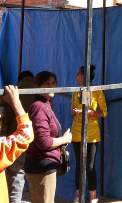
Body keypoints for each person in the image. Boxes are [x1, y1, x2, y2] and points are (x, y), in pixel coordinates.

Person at [24, 71, 72, 203]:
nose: (51, 86)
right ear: (37, 86)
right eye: (47, 83)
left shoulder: (46, 104)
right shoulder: (39, 106)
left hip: (44, 166)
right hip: (41, 167)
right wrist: (65, 139)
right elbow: (44, 142)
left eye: (53, 83)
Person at [71, 65, 107, 203]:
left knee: (89, 166)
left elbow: (104, 112)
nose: (75, 76)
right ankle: (78, 195)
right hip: (76, 132)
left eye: (78, 74)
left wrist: (89, 112)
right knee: (79, 165)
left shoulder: (96, 91)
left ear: (84, 76)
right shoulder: (76, 91)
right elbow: (71, 110)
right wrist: (75, 111)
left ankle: (93, 197)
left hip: (91, 134)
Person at [1, 71, 35, 203]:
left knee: (15, 186)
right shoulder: (41, 93)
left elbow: (4, 122)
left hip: (16, 145)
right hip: (37, 146)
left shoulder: (10, 94)